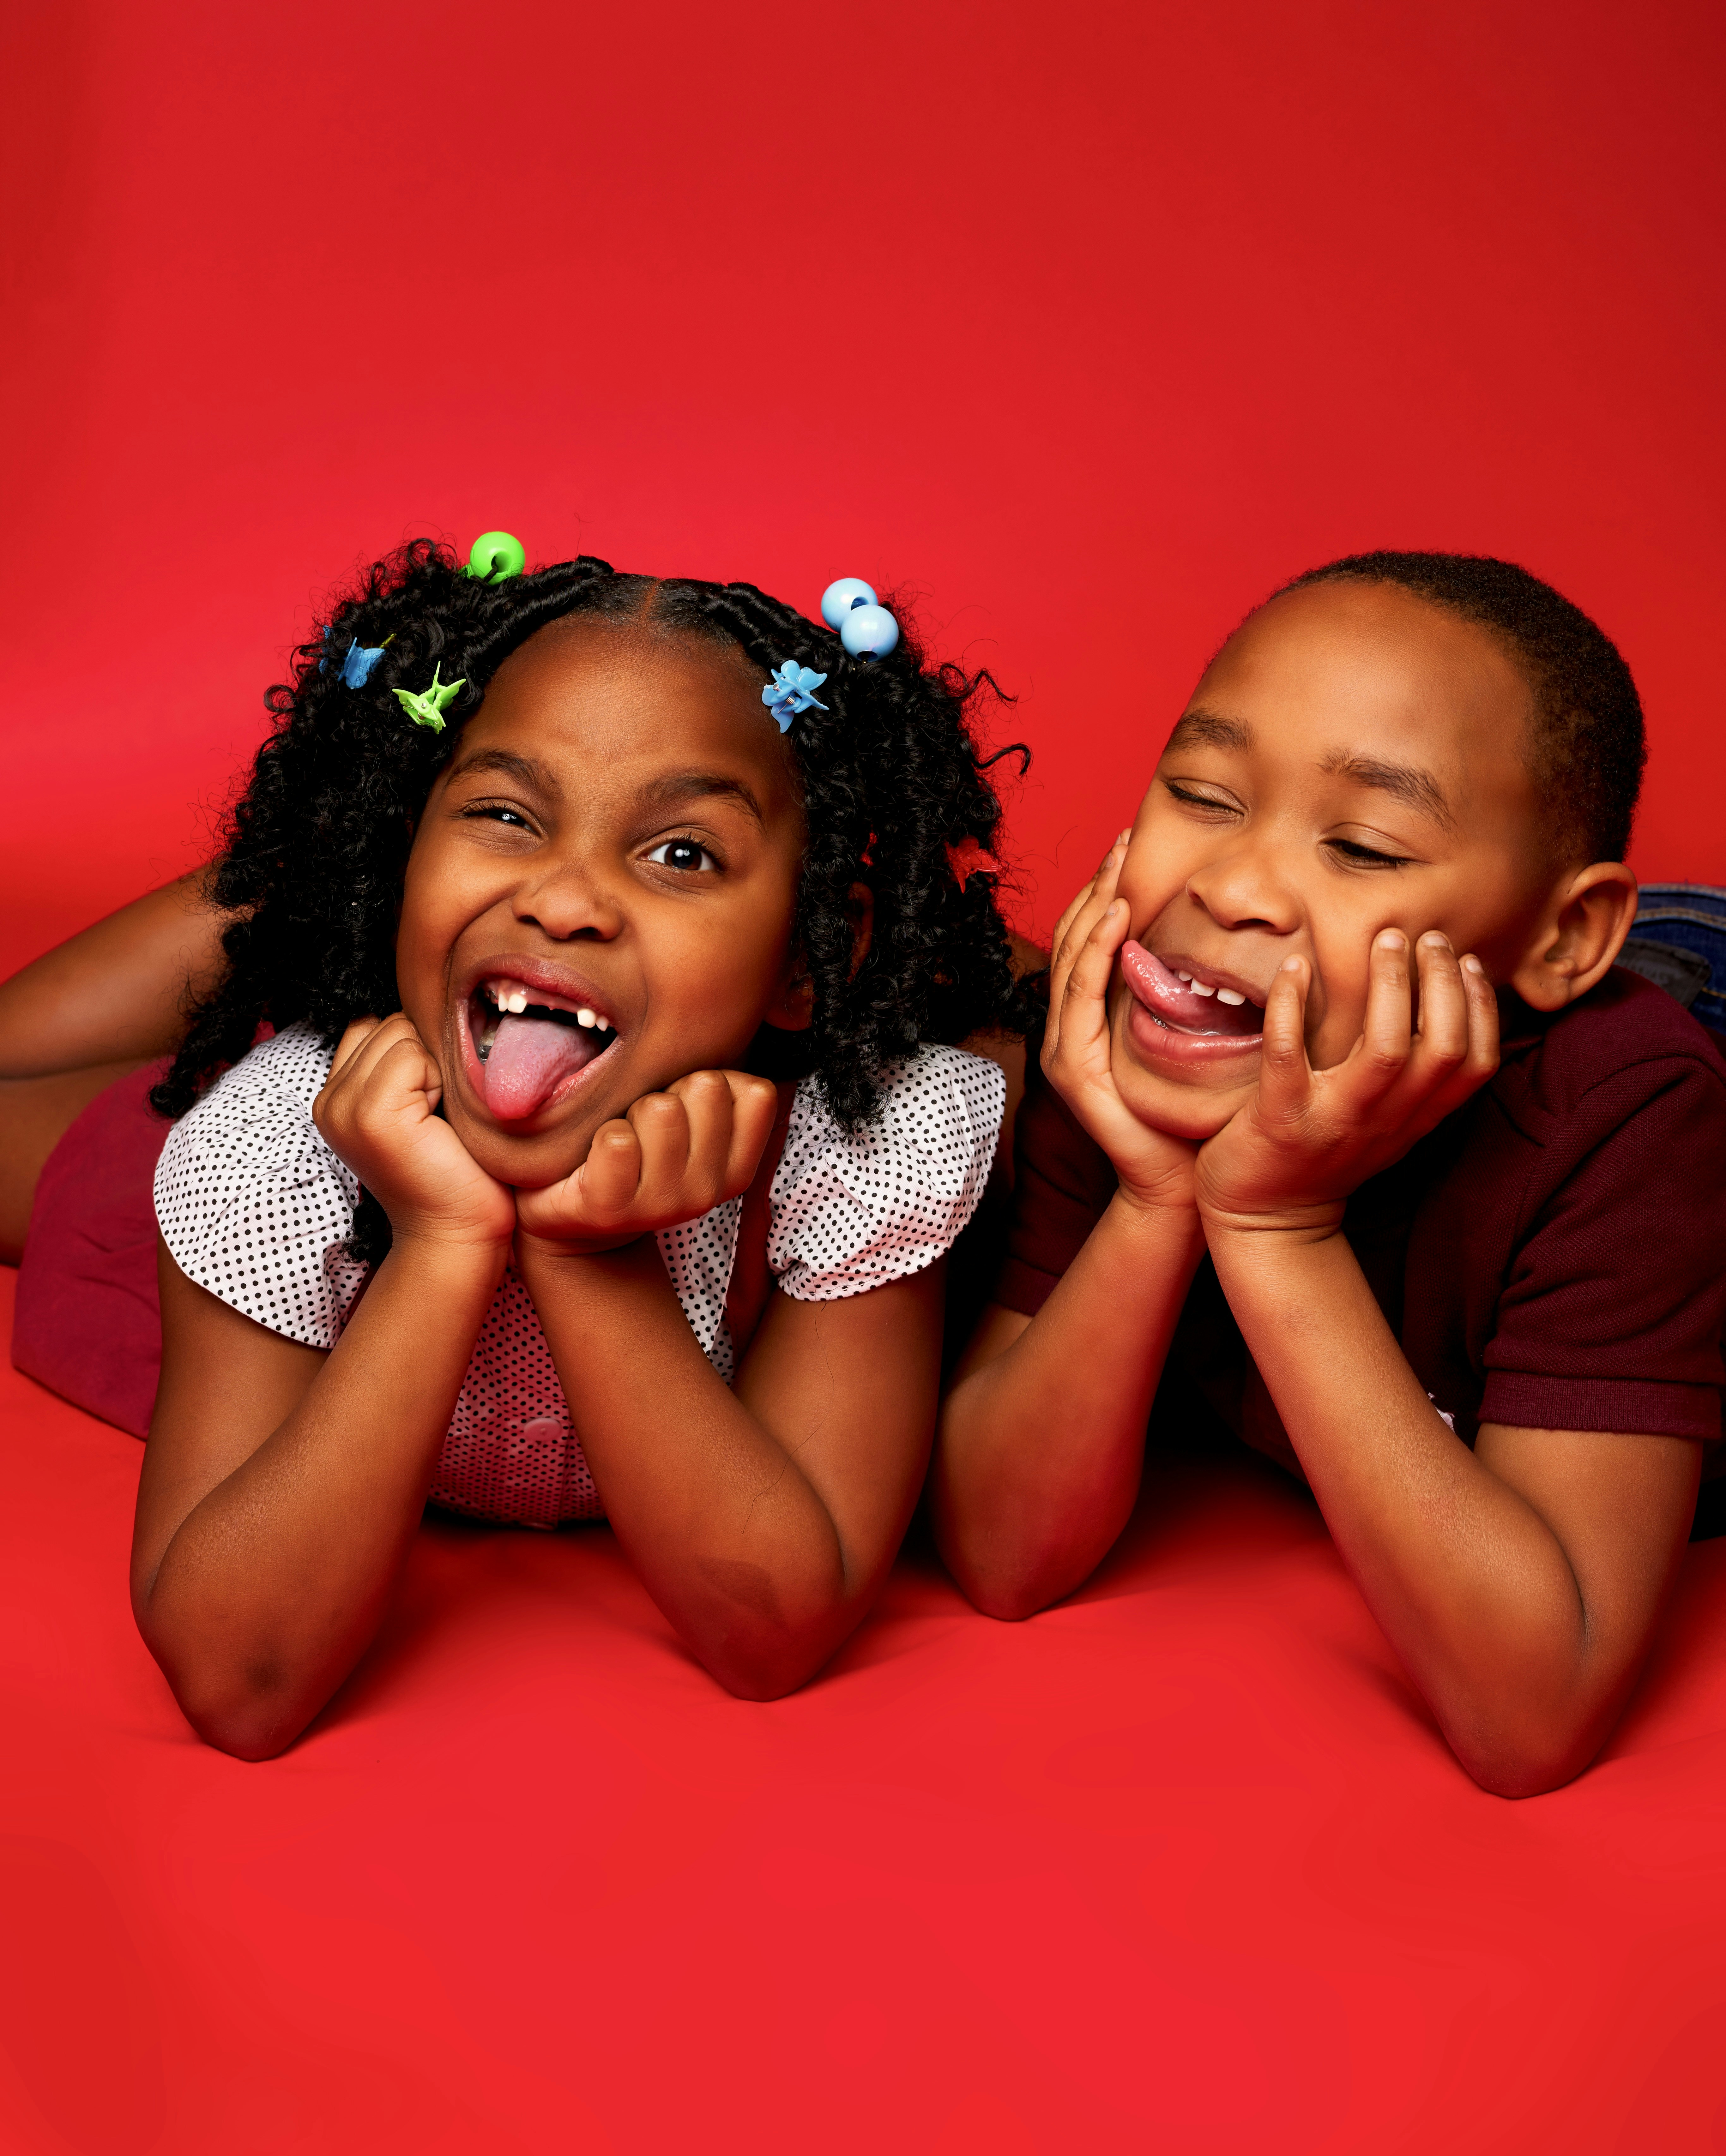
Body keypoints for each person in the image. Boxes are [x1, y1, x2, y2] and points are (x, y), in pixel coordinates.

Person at [6, 538, 1037, 1756]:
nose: (567, 896)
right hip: (207, 1166)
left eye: (683, 852)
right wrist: (440, 1243)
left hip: (528, 1014)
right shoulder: (267, 1156)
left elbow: (774, 1621)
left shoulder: (860, 1152)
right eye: (506, 813)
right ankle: (308, 900)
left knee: (1001, 998)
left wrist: (585, 1251)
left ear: (809, 960)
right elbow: (240, 1685)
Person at [933, 552, 1726, 1797]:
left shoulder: (1628, 1107)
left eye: (1360, 846)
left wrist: (1274, 1221)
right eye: (1201, 791)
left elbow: (1532, 1708)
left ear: (1562, 933)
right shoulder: (1111, 1041)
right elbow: (1002, 1553)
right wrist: (1155, 1197)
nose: (1231, 884)